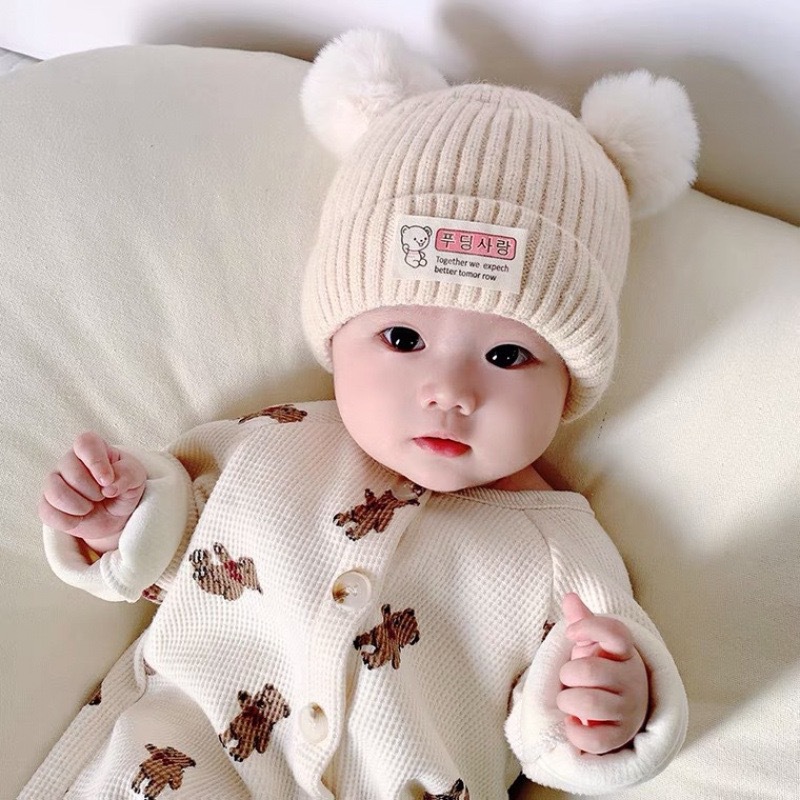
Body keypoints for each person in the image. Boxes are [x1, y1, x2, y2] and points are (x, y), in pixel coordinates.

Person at [28, 29, 699, 800]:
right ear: (337, 340)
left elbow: (569, 727)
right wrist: (121, 515)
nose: (449, 391)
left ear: (570, 384)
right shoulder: (273, 445)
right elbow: (172, 549)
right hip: (181, 767)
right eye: (404, 339)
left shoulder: (561, 552)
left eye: (508, 355)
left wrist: (605, 710)